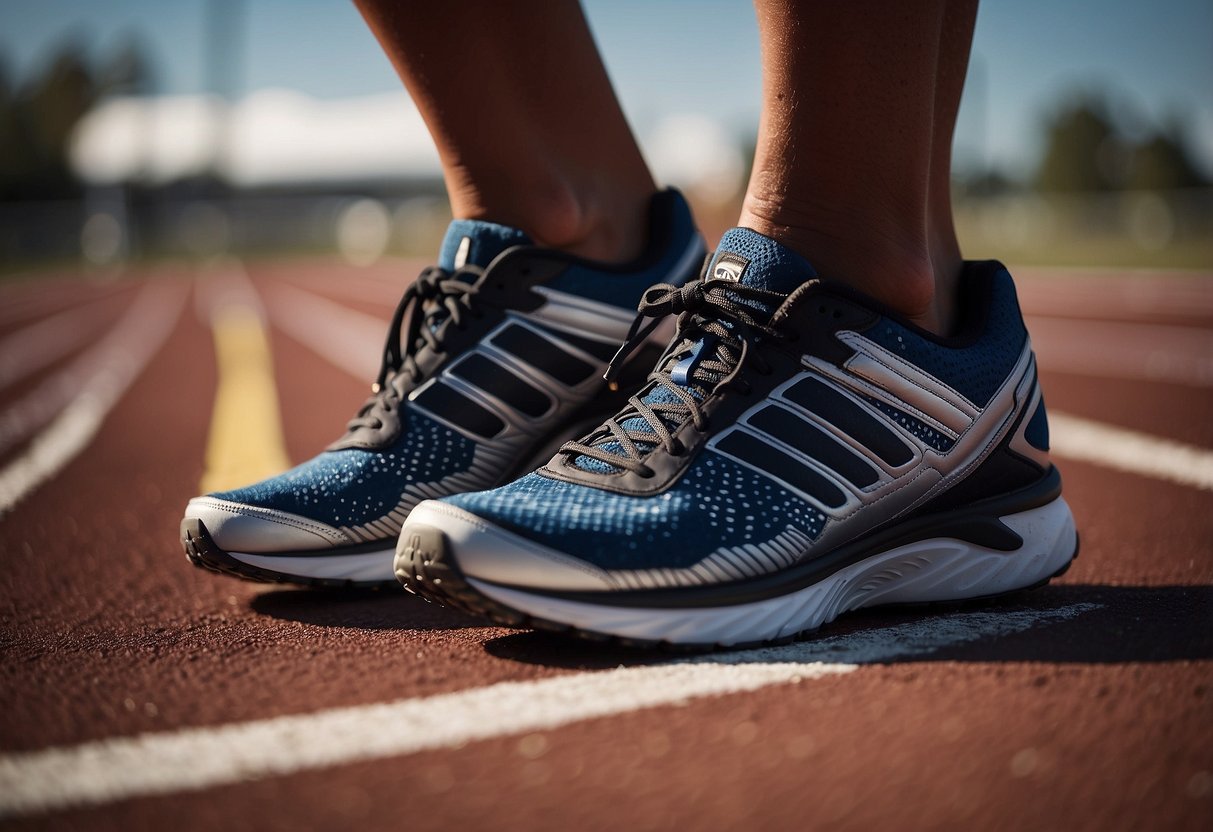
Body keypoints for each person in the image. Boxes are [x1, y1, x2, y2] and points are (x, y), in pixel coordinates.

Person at [183, 0, 1077, 647]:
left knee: (835, 250)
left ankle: (863, 274)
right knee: (546, 207)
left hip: (873, 336)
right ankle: (568, 225)